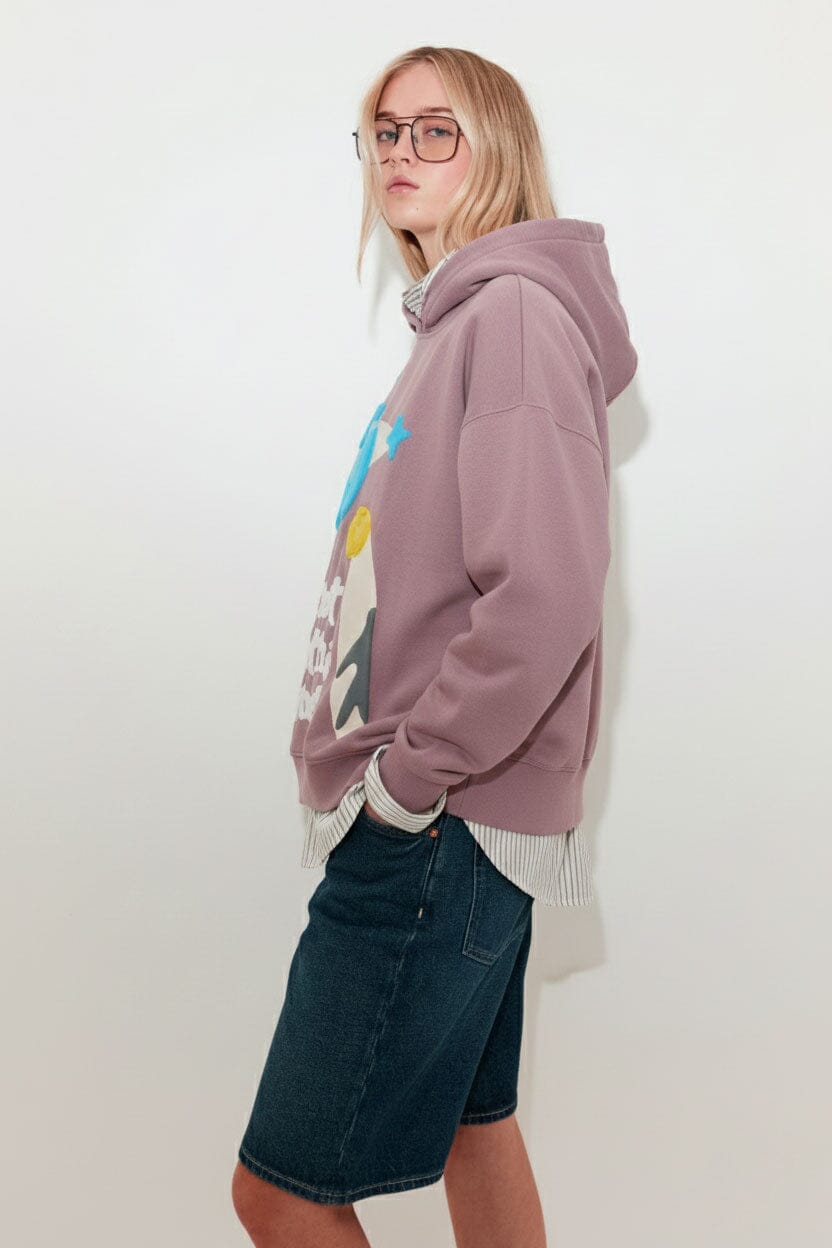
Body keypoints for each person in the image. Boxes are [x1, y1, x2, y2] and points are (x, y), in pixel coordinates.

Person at [231, 44, 638, 1248]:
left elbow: (543, 595)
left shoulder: (507, 318)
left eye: (433, 130)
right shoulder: (465, 327)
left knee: (280, 1193)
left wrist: (404, 786)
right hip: (456, 826)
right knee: (475, 1125)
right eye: (383, 133)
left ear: (495, 147)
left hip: (435, 827)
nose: (398, 155)